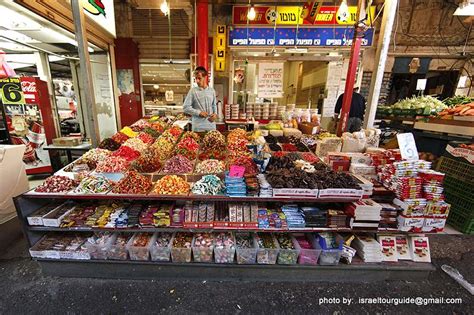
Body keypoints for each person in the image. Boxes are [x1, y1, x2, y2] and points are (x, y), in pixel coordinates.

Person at [183, 67, 217, 132]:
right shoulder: (192, 91)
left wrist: (215, 114)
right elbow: (185, 107)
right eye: (196, 78)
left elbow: (214, 105)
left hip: (211, 126)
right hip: (198, 127)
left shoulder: (212, 91)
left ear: (205, 77)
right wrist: (199, 113)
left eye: (199, 78)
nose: (197, 81)